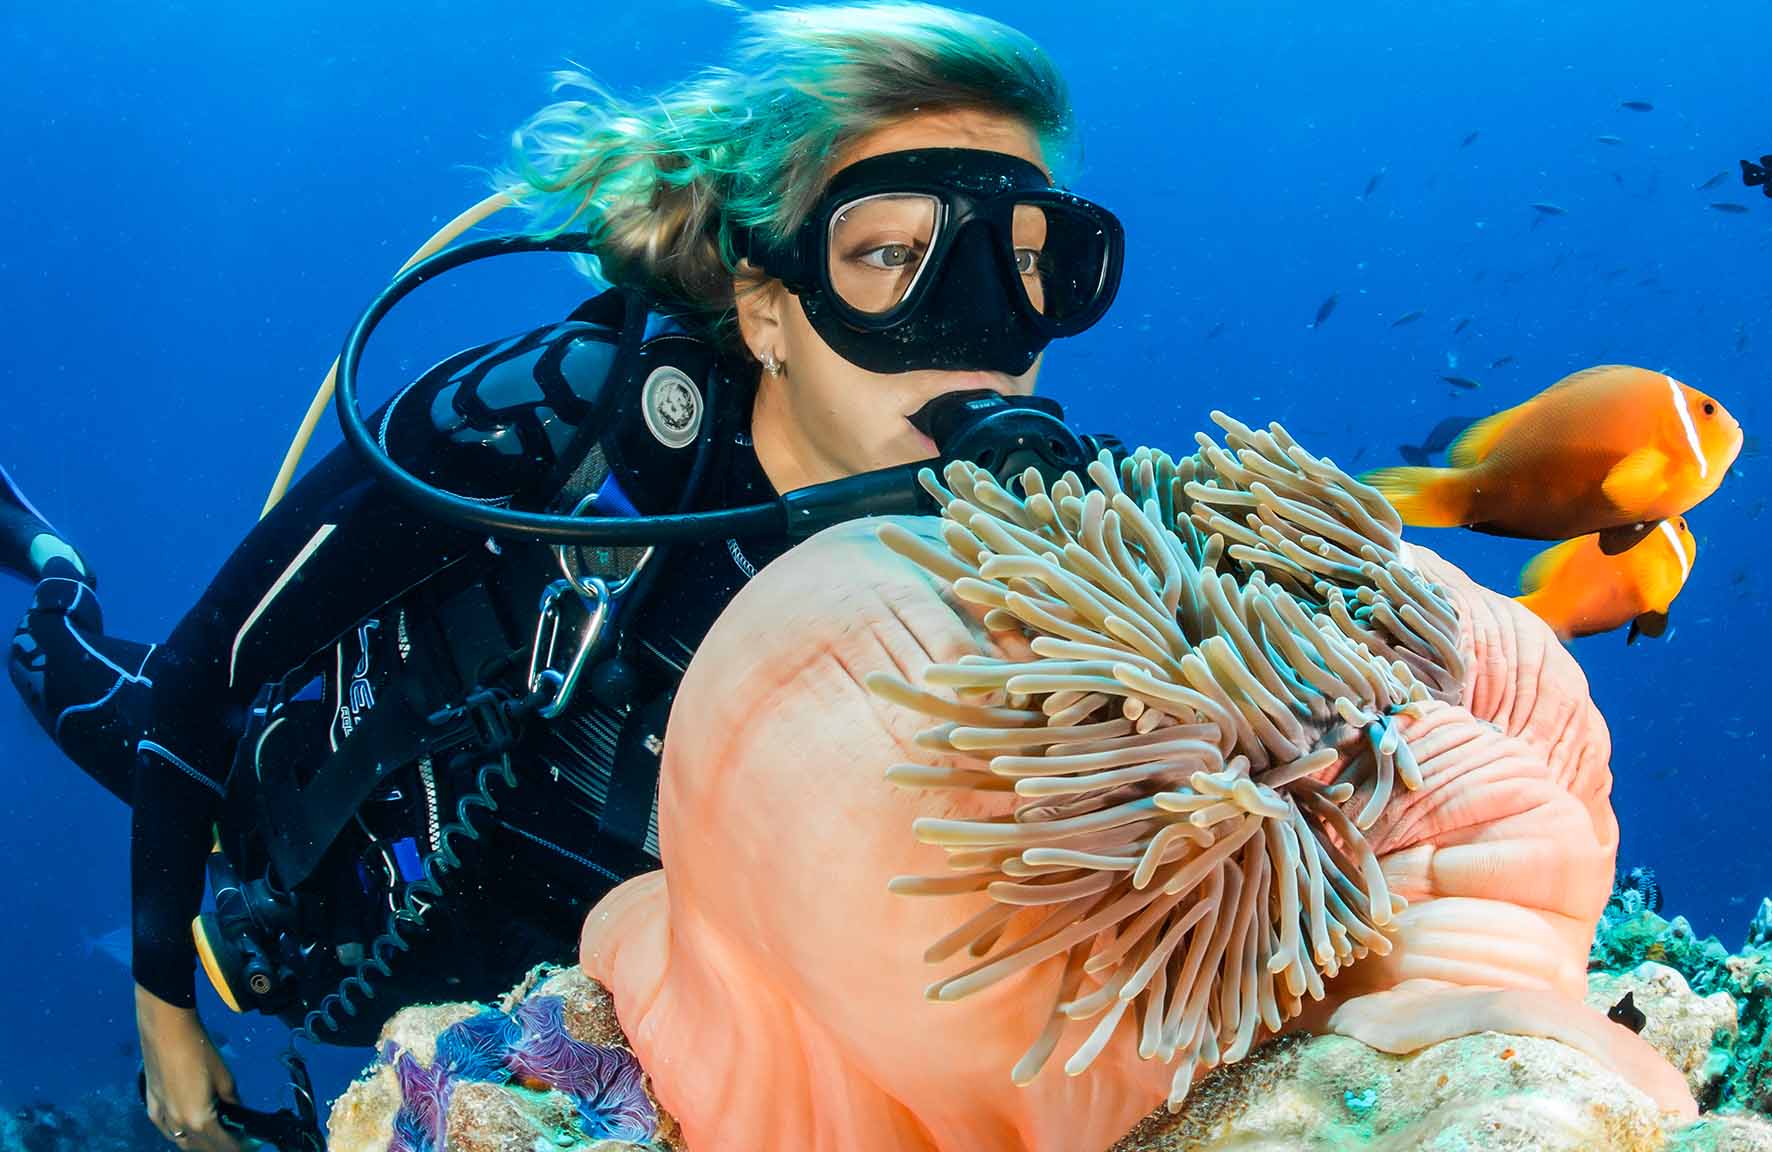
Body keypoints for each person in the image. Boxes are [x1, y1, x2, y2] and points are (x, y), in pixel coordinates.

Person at [4, 6, 1127, 1149]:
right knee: (72, 674)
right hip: (299, 829)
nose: (981, 331)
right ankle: (47, 562)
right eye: (889, 255)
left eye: (1030, 266)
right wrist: (162, 1009)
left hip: (578, 1006)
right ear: (765, 306)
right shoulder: (557, 421)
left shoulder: (1036, 556)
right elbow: (208, 664)